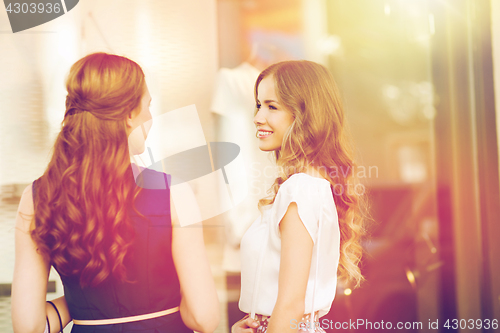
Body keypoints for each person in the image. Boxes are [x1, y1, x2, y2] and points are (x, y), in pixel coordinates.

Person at [11, 52, 219, 333]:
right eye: (148, 106)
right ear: (130, 115)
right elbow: (203, 317)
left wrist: (81, 302)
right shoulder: (174, 193)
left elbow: (29, 327)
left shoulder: (36, 198)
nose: (150, 117)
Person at [231, 60, 366, 333]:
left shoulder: (301, 189)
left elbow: (291, 304)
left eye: (272, 106)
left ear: (304, 115)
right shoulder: (309, 185)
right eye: (259, 105)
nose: (258, 117)